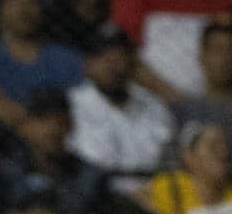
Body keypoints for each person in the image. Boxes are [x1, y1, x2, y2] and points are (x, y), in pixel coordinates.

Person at [68, 25, 174, 176]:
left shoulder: (152, 104)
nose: (111, 65)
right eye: (102, 56)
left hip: (152, 180)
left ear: (131, 62)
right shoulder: (72, 105)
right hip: (100, 183)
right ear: (88, 65)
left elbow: (165, 153)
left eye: (119, 56)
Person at [171, 24, 232, 169]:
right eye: (217, 50)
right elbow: (170, 162)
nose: (225, 59)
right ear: (202, 56)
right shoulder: (185, 110)